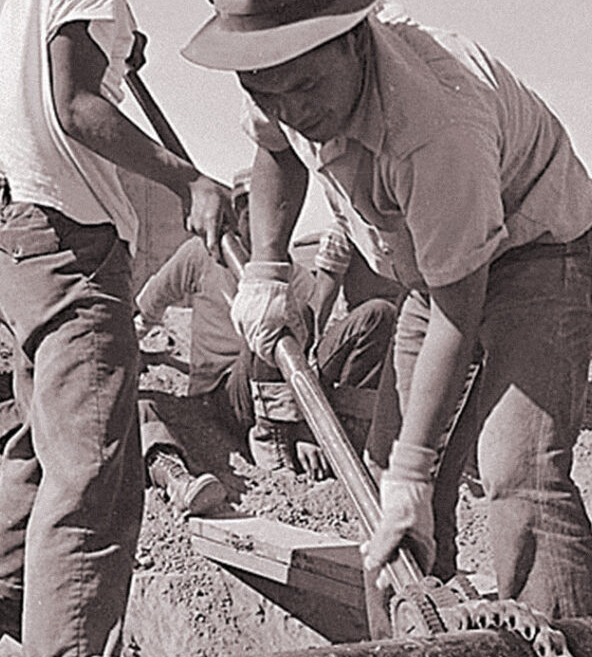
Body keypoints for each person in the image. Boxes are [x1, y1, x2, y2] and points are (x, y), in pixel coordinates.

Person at [182, 0, 592, 619]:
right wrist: (266, 268)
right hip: (433, 272)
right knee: (384, 484)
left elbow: (458, 306)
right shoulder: (278, 72)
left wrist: (420, 469)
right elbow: (276, 152)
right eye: (268, 93)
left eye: (305, 88)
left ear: (354, 40)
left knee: (517, 473)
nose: (294, 111)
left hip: (541, 255)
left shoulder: (435, 124)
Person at [0, 0, 229, 657]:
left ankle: (10, 587)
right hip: (67, 237)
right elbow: (79, 104)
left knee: (46, 433)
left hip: (15, 235)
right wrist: (187, 180)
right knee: (101, 468)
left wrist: (116, 37)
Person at [135, 168, 397, 479]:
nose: (255, 219)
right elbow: (146, 310)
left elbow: (305, 354)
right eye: (246, 208)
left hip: (280, 382)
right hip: (223, 394)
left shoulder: (297, 277)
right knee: (267, 316)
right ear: (236, 213)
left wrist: (306, 425)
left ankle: (347, 427)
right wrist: (126, 354)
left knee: (378, 314)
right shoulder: (199, 256)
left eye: (264, 208)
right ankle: (272, 438)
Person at [0, 276, 227, 518]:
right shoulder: (7, 257)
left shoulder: (82, 261)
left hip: (80, 380)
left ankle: (172, 475)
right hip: (32, 386)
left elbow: (117, 337)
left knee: (134, 409)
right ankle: (45, 433)